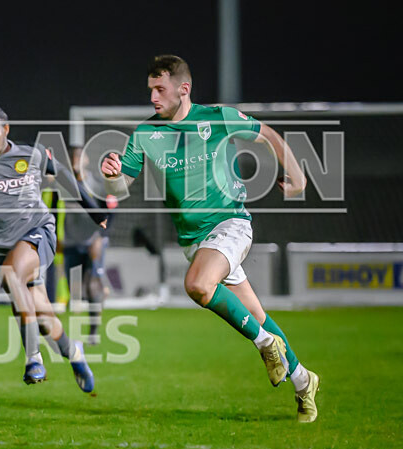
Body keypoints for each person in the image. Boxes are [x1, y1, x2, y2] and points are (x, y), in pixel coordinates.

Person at [101, 55, 320, 422]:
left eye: (160, 89)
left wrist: (298, 177)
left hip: (230, 224)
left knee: (198, 285)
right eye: (150, 90)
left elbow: (268, 134)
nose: (153, 97)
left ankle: (266, 344)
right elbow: (121, 188)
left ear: (183, 89)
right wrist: (112, 177)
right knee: (256, 315)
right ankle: (303, 381)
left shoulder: (217, 117)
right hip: (195, 241)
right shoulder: (145, 134)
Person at [0, 103, 106, 392]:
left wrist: (94, 212)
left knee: (13, 274)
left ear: (6, 129)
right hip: (1, 248)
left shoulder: (30, 154)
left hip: (37, 231)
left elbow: (63, 173)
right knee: (43, 318)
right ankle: (74, 352)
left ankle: (33, 359)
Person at [60, 147, 111, 345]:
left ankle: (93, 332)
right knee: (76, 292)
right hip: (71, 242)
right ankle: (101, 292)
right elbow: (53, 211)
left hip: (93, 242)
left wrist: (100, 237)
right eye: (72, 157)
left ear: (87, 160)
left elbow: (111, 213)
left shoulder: (98, 184)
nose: (76, 160)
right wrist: (54, 236)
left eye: (79, 156)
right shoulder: (61, 186)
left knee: (91, 286)